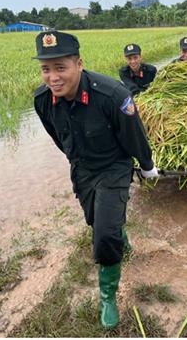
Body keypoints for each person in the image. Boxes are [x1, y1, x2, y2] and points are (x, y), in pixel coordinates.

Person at [32, 31, 157, 329]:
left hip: (114, 166)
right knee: (96, 221)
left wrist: (147, 164)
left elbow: (134, 135)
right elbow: (59, 138)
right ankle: (121, 240)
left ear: (79, 64)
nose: (53, 77)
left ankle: (107, 296)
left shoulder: (112, 95)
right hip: (83, 169)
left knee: (102, 236)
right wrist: (77, 160)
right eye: (46, 69)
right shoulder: (43, 101)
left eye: (61, 67)